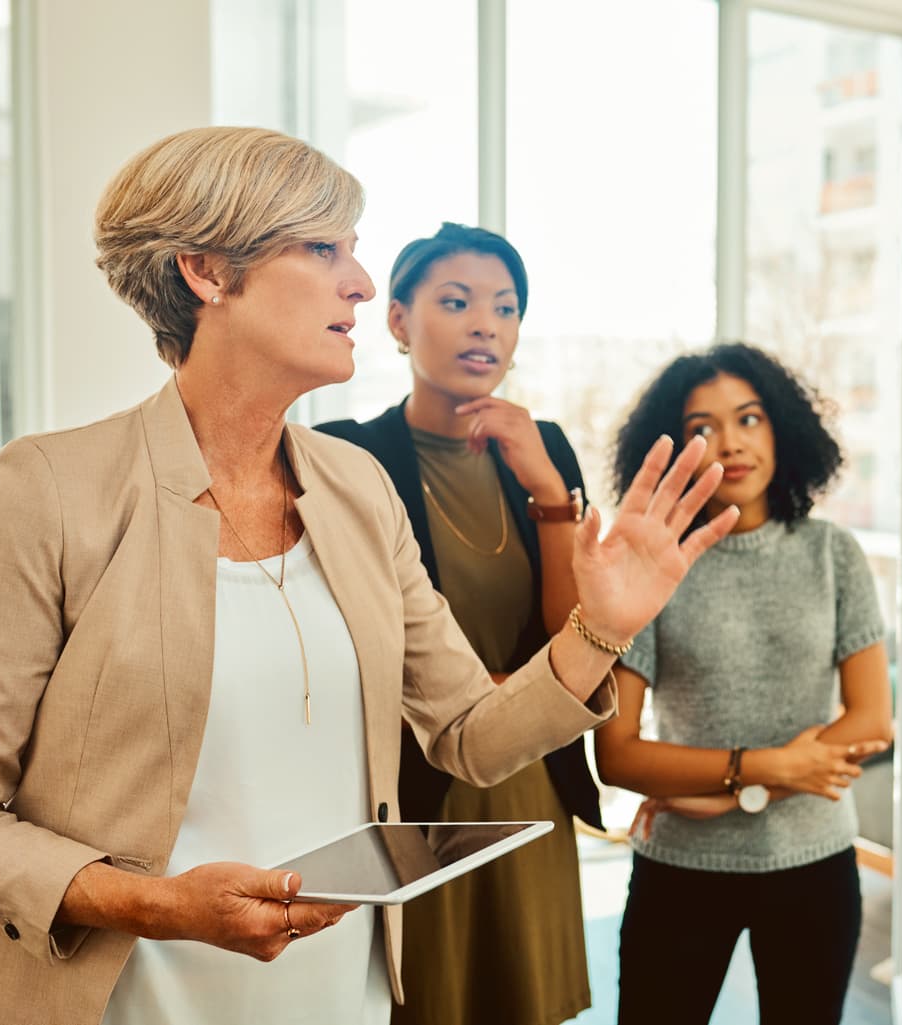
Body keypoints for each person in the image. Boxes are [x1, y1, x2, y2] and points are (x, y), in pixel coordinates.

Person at [0, 126, 736, 1025]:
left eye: (353, 249)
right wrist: (154, 903)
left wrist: (602, 626)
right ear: (208, 271)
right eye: (323, 248)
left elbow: (469, 732)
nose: (361, 281)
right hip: (117, 1001)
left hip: (335, 997)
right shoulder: (50, 491)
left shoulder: (355, 487)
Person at [316, 222, 597, 1025]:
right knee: (424, 1000)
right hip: (413, 789)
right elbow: (352, 642)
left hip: (531, 777)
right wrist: (494, 692)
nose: (486, 324)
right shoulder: (347, 457)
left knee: (525, 1000)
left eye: (506, 308)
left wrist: (550, 494)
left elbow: (577, 638)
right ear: (399, 321)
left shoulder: (547, 449)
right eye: (457, 301)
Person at [595, 343, 893, 1025]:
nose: (730, 442)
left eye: (749, 418)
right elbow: (616, 754)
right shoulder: (652, 566)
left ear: (781, 427)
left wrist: (737, 789)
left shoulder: (832, 553)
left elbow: (872, 717)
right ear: (670, 449)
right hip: (681, 867)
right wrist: (764, 766)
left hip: (814, 862)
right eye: (702, 428)